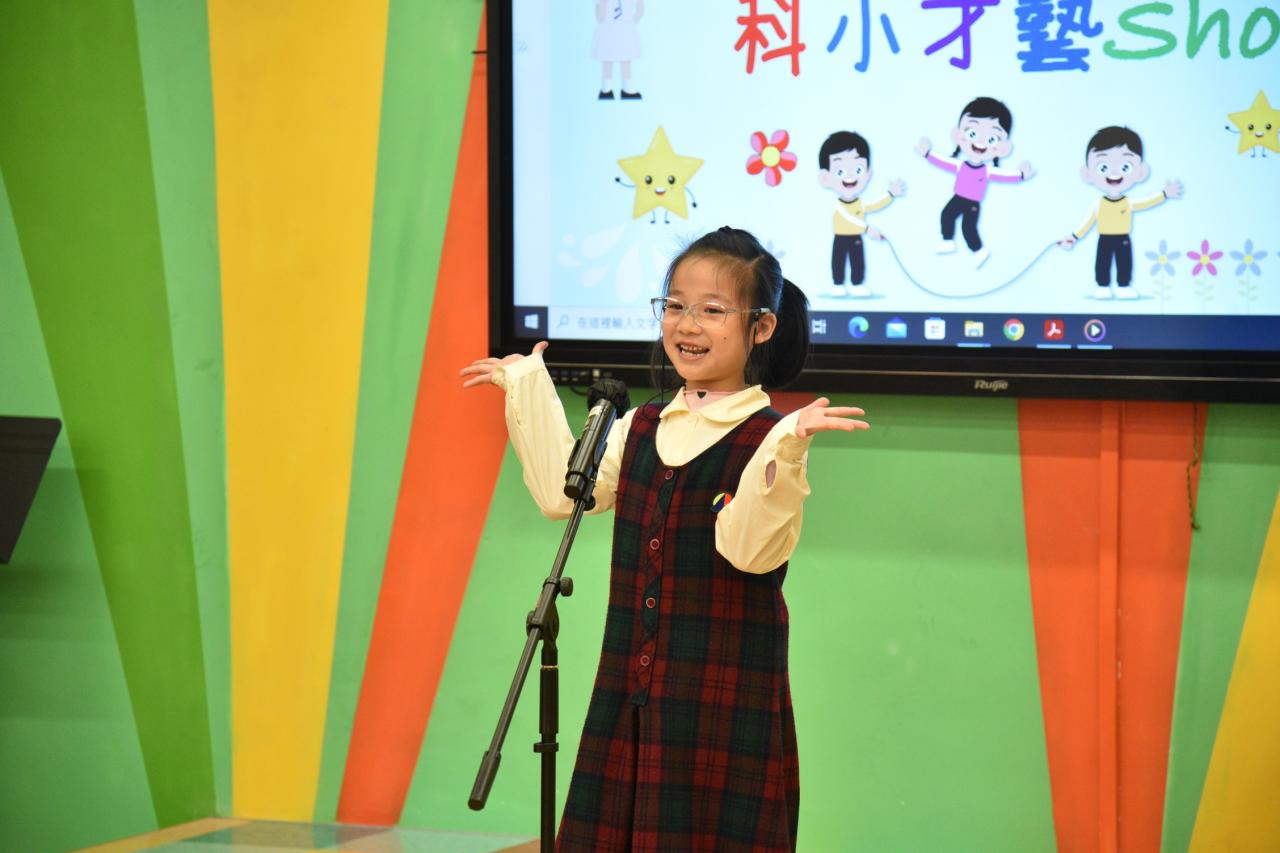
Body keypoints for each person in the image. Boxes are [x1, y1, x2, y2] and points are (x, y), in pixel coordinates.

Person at [459, 226, 868, 852]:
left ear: (761, 327)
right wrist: (527, 387)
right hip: (630, 693)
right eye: (675, 305)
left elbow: (748, 551)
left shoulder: (767, 436)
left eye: (712, 310)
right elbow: (564, 496)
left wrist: (787, 445)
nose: (687, 325)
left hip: (721, 700)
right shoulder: (641, 425)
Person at [1057, 126, 1183, 300]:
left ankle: (1124, 286)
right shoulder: (1098, 204)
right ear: (1087, 173)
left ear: (1140, 172)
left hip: (1123, 238)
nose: (1114, 174)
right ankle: (1102, 286)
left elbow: (1146, 202)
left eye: (1125, 167)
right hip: (1104, 238)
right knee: (1102, 262)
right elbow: (1086, 223)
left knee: (1124, 262)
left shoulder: (1128, 203)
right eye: (1103, 167)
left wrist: (1164, 194)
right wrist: (1074, 237)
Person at [915, 96, 1035, 268]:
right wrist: (927, 154)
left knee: (968, 227)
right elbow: (943, 162)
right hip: (958, 198)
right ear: (957, 135)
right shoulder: (960, 165)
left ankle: (978, 251)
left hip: (972, 203)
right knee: (946, 214)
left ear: (1003, 148)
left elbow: (1005, 175)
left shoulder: (987, 170)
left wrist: (1021, 175)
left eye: (991, 139)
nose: (979, 142)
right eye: (972, 133)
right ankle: (948, 241)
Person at [817, 130, 905, 298]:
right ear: (825, 177)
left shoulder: (859, 203)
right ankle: (838, 284)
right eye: (840, 171)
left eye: (858, 169)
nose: (850, 176)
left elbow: (874, 204)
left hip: (855, 238)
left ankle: (857, 284)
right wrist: (867, 228)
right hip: (841, 237)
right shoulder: (838, 205)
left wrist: (890, 194)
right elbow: (848, 218)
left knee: (857, 261)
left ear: (868, 172)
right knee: (838, 261)